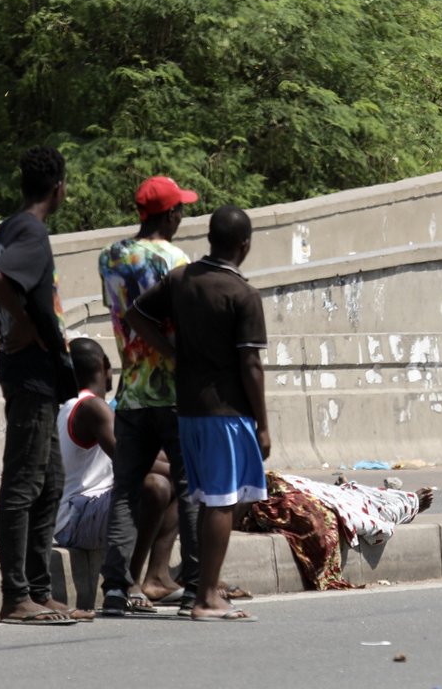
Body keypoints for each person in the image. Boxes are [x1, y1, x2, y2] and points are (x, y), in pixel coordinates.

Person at [127, 205, 270, 622]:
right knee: (222, 503)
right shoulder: (242, 294)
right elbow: (251, 366)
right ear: (245, 245)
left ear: (209, 238)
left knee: (208, 499)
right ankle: (207, 596)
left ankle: (204, 589)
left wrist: (172, 352)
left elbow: (136, 314)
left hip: (187, 409)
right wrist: (262, 423)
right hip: (226, 412)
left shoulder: (181, 279)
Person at [0, 145, 85, 625]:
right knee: (24, 482)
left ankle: (39, 591)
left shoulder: (8, 227)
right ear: (59, 186)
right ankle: (16, 596)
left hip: (34, 373)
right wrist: (23, 325)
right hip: (29, 372)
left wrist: (10, 329)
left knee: (51, 481)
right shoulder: (32, 231)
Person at [97, 176, 204, 618]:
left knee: (125, 490)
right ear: (170, 214)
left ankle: (116, 588)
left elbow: (121, 315)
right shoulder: (179, 260)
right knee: (190, 487)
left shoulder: (111, 257)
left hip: (132, 390)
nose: (182, 215)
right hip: (173, 390)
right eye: (180, 209)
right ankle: (196, 588)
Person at [56, 338, 182, 612]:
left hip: (82, 513)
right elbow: (132, 460)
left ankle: (158, 576)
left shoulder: (71, 405)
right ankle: (130, 581)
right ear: (105, 366)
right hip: (77, 517)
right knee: (155, 486)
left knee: (175, 482)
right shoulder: (92, 407)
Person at [241, 472, 434, 591]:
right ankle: (406, 504)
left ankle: (401, 501)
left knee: (343, 497)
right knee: (360, 508)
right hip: (285, 499)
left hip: (282, 489)